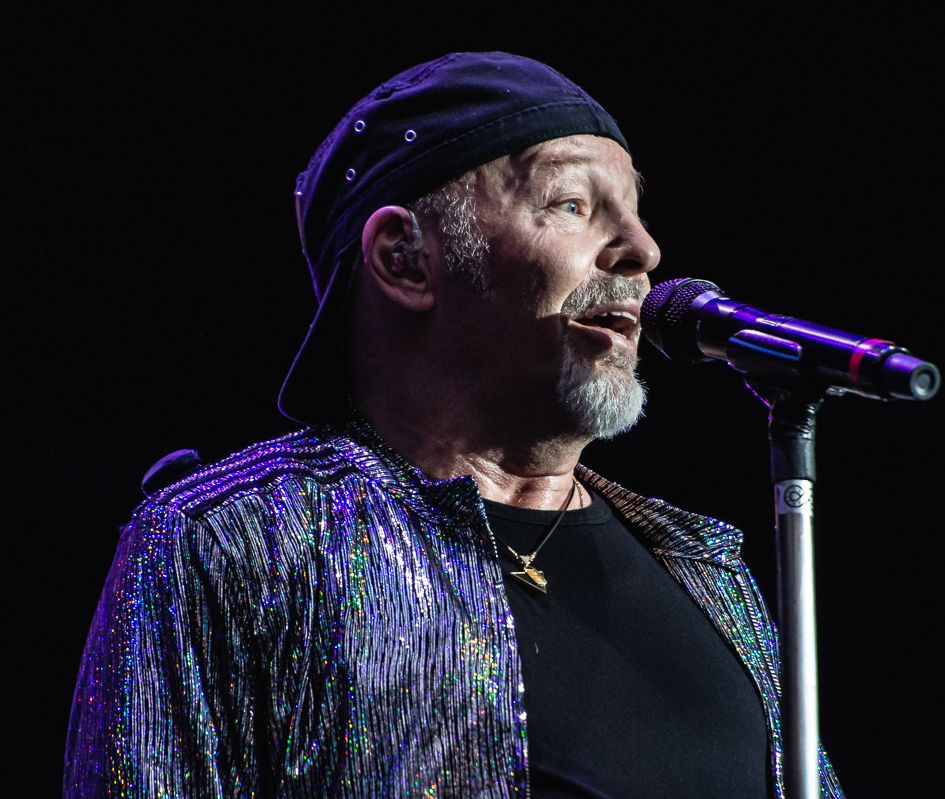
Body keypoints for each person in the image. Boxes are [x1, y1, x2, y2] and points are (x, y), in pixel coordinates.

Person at [64, 52, 846, 798]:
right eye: (572, 204)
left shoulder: (705, 567)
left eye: (635, 212)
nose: (644, 250)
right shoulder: (237, 544)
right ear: (405, 259)